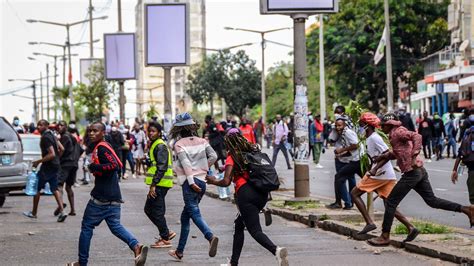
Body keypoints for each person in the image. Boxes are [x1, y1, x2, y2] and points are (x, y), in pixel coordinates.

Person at [367, 114, 474, 246]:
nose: (381, 128)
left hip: (412, 172)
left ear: (390, 124)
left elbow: (417, 136)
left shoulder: (398, 131)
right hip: (419, 172)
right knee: (432, 201)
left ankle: (385, 236)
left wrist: (414, 155)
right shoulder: (394, 135)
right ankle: (466, 210)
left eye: (382, 125)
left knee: (390, 202)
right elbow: (398, 152)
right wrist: (382, 157)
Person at [206, 129, 289, 266]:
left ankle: (276, 250)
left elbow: (226, 181)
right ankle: (233, 262)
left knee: (255, 230)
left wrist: (212, 181)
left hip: (246, 195)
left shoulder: (232, 156)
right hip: (261, 195)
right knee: (239, 225)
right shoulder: (253, 151)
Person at [70, 122, 148, 266]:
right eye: (90, 131)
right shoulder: (106, 146)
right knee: (115, 226)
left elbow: (113, 166)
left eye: (95, 131)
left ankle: (82, 262)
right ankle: (136, 246)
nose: (92, 133)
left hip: (101, 198)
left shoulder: (101, 148)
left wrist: (93, 166)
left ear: (103, 132)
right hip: (114, 197)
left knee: (87, 227)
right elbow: (115, 166)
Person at [351, 113, 418, 241]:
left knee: (354, 193)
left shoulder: (374, 138)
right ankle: (410, 227)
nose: (359, 127)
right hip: (387, 175)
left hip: (379, 175)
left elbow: (386, 153)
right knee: (389, 205)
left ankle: (370, 223)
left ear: (367, 125)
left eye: (360, 125)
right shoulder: (369, 138)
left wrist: (374, 169)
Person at [167, 113, 219, 261]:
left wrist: (191, 181)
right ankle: (179, 251)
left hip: (191, 183)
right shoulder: (202, 141)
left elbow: (186, 164)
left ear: (178, 130)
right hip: (202, 181)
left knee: (194, 213)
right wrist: (203, 169)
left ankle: (210, 236)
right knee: (185, 217)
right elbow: (214, 157)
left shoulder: (179, 144)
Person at [23, 119, 67, 223]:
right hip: (55, 166)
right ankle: (62, 211)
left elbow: (51, 154)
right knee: (54, 188)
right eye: (38, 125)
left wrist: (38, 161)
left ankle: (34, 213)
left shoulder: (45, 137)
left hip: (47, 167)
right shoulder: (52, 135)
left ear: (46, 126)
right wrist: (57, 159)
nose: (38, 127)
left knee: (36, 187)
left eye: (41, 125)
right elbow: (62, 149)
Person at [143, 121, 176, 248]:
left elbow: (161, 167)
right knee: (149, 209)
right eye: (149, 131)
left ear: (159, 132)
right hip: (159, 183)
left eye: (153, 131)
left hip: (160, 184)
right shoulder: (155, 145)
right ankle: (166, 233)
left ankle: (165, 238)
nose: (151, 133)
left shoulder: (160, 146)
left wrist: (153, 185)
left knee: (156, 211)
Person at [327, 117, 361, 210]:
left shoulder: (347, 132)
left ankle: (349, 202)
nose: (338, 128)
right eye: (337, 126)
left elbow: (356, 145)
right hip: (353, 160)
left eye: (340, 125)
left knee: (339, 177)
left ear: (344, 125)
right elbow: (351, 148)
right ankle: (349, 202)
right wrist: (341, 154)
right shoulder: (343, 133)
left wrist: (342, 150)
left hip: (357, 161)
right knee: (340, 178)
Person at [57, 121, 78, 216]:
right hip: (73, 164)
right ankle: (72, 210)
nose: (59, 127)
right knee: (68, 186)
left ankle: (61, 206)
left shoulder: (65, 137)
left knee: (59, 185)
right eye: (58, 126)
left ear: (65, 127)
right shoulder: (72, 137)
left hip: (66, 164)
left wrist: (58, 159)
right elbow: (80, 150)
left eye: (62, 125)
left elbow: (62, 150)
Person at [451, 117, 474, 204]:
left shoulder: (466, 137)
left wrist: (454, 170)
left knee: (473, 199)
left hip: (472, 171)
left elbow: (460, 155)